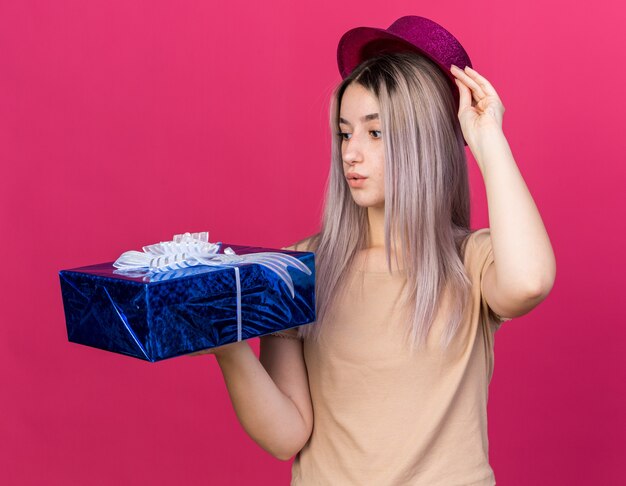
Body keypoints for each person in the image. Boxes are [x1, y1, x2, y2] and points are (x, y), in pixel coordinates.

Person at [190, 15, 556, 485]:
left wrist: (487, 139)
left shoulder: (471, 262)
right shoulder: (300, 267)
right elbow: (286, 436)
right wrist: (229, 346)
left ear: (423, 143)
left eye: (375, 133)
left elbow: (530, 282)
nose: (351, 153)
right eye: (346, 132)